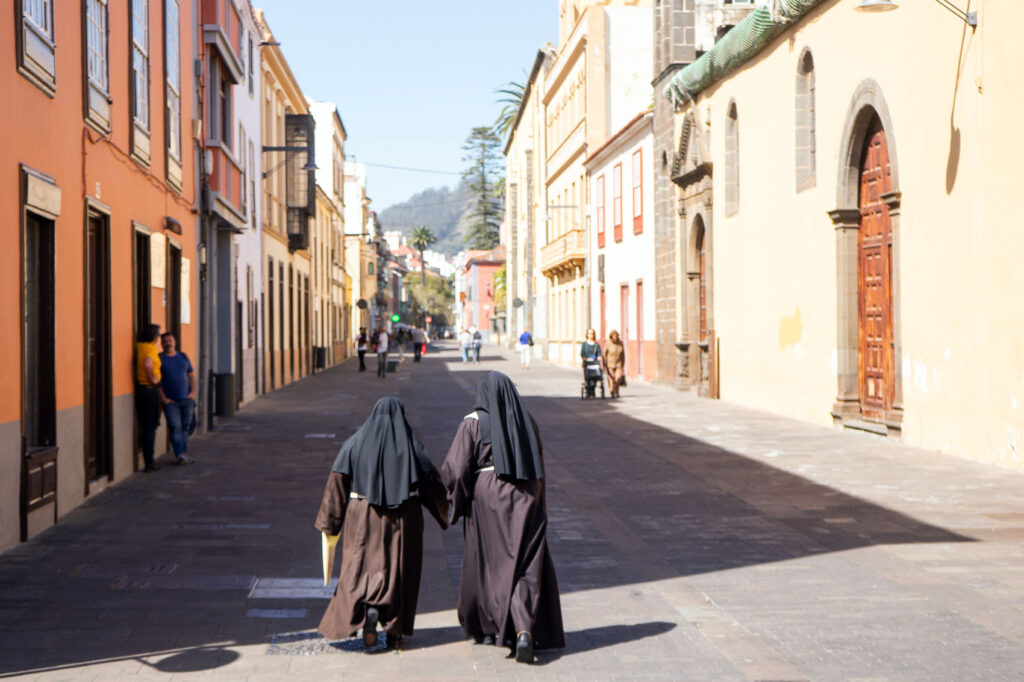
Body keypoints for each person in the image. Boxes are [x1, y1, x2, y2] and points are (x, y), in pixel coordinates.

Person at [441, 371, 564, 664]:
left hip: (489, 499)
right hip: (527, 496)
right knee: (524, 561)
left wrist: (454, 503)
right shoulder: (527, 422)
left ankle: (488, 625)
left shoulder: (472, 423)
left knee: (489, 562)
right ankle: (523, 629)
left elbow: (456, 470)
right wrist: (540, 503)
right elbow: (540, 464)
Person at [315, 397, 449, 650]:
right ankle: (395, 632)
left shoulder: (354, 443)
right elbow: (431, 483)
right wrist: (443, 513)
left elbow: (337, 483)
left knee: (359, 569)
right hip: (404, 519)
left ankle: (368, 610)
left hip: (362, 517)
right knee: (400, 572)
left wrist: (330, 523)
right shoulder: (412, 445)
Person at [158, 332, 195, 465]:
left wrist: (192, 393)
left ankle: (183, 454)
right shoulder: (159, 359)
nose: (168, 343)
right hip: (171, 402)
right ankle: (180, 455)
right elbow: (157, 382)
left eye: (170, 340)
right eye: (165, 341)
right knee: (175, 428)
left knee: (186, 428)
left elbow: (191, 375)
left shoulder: (183, 357)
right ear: (161, 344)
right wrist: (164, 399)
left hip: (186, 400)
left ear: (175, 342)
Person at [135, 323, 164, 472]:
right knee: (150, 427)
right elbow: (148, 363)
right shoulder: (151, 348)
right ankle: (149, 462)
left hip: (140, 389)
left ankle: (148, 459)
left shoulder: (139, 346)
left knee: (146, 425)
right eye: (158, 335)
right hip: (149, 389)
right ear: (154, 337)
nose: (159, 338)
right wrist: (154, 379)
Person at [603, 330, 626, 398]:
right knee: (611, 378)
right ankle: (612, 391)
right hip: (610, 364)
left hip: (619, 364)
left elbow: (623, 355)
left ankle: (617, 390)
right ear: (611, 336)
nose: (615, 337)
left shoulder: (620, 343)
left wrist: (623, 364)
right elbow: (604, 354)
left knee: (618, 378)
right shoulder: (608, 343)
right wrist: (605, 364)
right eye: (614, 336)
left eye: (616, 336)